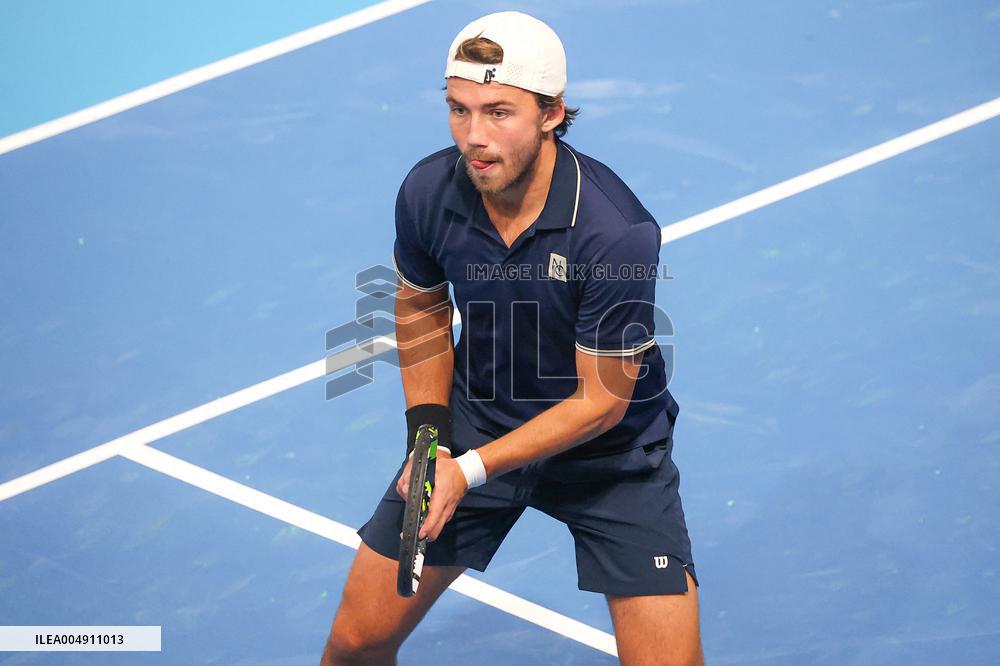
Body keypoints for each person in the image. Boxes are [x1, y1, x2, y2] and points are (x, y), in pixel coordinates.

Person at [321, 11, 703, 666]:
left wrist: (467, 472)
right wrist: (430, 440)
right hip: (477, 425)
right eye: (459, 110)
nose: (475, 136)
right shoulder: (428, 191)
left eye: (499, 112)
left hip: (608, 458)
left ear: (551, 113)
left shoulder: (614, 233)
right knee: (356, 643)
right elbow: (420, 305)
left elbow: (600, 404)